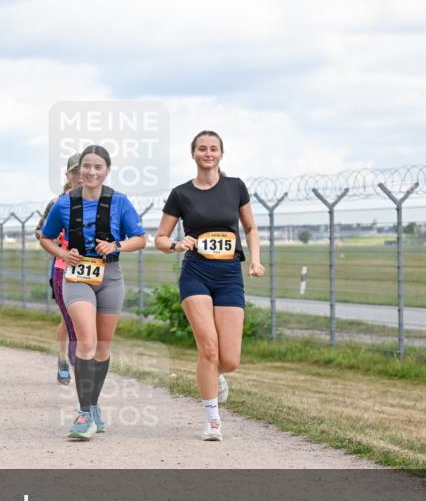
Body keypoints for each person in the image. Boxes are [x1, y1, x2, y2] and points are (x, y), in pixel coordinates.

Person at [154, 130, 264, 441]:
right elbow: (159, 238)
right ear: (193, 154)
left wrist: (255, 260)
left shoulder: (235, 187)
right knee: (208, 347)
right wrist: (176, 244)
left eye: (213, 148)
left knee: (229, 359)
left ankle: (215, 374)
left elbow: (251, 227)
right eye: (202, 148)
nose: (208, 153)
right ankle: (212, 419)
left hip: (229, 274)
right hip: (196, 273)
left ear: (221, 153)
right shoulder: (181, 193)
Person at [39, 145, 147, 440]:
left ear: (106, 170)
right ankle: (83, 414)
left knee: (102, 349)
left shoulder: (120, 202)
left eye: (97, 167)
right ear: (79, 171)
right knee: (86, 343)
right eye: (86, 166)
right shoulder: (64, 204)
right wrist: (63, 252)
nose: (91, 172)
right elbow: (45, 238)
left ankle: (93, 404)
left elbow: (140, 238)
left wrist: (116, 246)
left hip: (110, 277)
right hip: (77, 276)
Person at [35, 153, 81, 384]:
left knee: (79, 315)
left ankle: (81, 358)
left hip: (91, 268)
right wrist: (60, 245)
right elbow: (40, 231)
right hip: (63, 266)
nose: (81, 177)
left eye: (84, 171)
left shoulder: (100, 202)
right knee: (68, 315)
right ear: (68, 175)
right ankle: (65, 358)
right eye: (76, 173)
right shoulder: (57, 203)